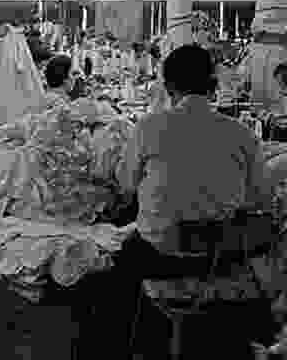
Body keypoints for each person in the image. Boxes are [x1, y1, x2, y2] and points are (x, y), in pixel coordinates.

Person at [89, 44, 275, 355]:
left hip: (160, 253)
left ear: (168, 86)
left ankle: (125, 346)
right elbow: (260, 197)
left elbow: (125, 187)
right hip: (221, 254)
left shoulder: (149, 127)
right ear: (213, 85)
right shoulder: (242, 134)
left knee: (107, 276)